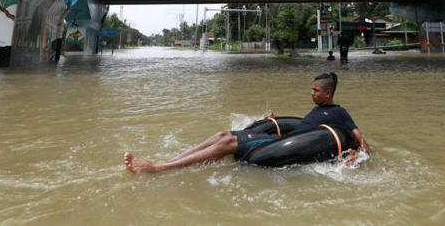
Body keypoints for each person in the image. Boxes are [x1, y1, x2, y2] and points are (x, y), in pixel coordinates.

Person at [124, 72, 370, 173]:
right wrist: (271, 120)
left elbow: (362, 142)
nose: (311, 93)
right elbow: (301, 129)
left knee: (226, 143)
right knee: (223, 135)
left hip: (277, 143)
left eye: (316, 90)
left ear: (328, 93)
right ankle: (167, 161)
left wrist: (357, 157)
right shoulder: (317, 111)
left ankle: (157, 169)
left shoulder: (340, 113)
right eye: (312, 89)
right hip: (278, 138)